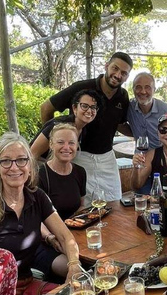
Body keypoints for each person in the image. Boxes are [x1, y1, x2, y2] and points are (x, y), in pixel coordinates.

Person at [0, 132, 81, 295]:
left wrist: (74, 266)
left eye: (21, 160)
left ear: (30, 165)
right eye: (6, 161)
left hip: (29, 282)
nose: (14, 167)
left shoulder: (37, 197)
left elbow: (65, 236)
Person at [40, 52, 133, 201]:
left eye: (123, 73)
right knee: (84, 208)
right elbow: (46, 108)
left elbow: (119, 124)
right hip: (79, 157)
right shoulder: (82, 87)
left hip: (107, 158)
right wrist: (54, 139)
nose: (117, 75)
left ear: (127, 77)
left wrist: (143, 134)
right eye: (115, 68)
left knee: (115, 203)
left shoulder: (123, 96)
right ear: (106, 66)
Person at [30, 89, 103, 161]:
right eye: (84, 106)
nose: (89, 111)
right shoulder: (58, 126)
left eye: (93, 107)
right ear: (74, 108)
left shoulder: (83, 130)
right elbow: (32, 155)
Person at [37, 123, 87, 220]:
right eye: (60, 142)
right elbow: (37, 216)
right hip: (50, 233)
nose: (66, 147)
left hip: (75, 228)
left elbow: (81, 206)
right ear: (51, 144)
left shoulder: (80, 172)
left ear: (77, 145)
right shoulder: (40, 175)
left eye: (71, 143)